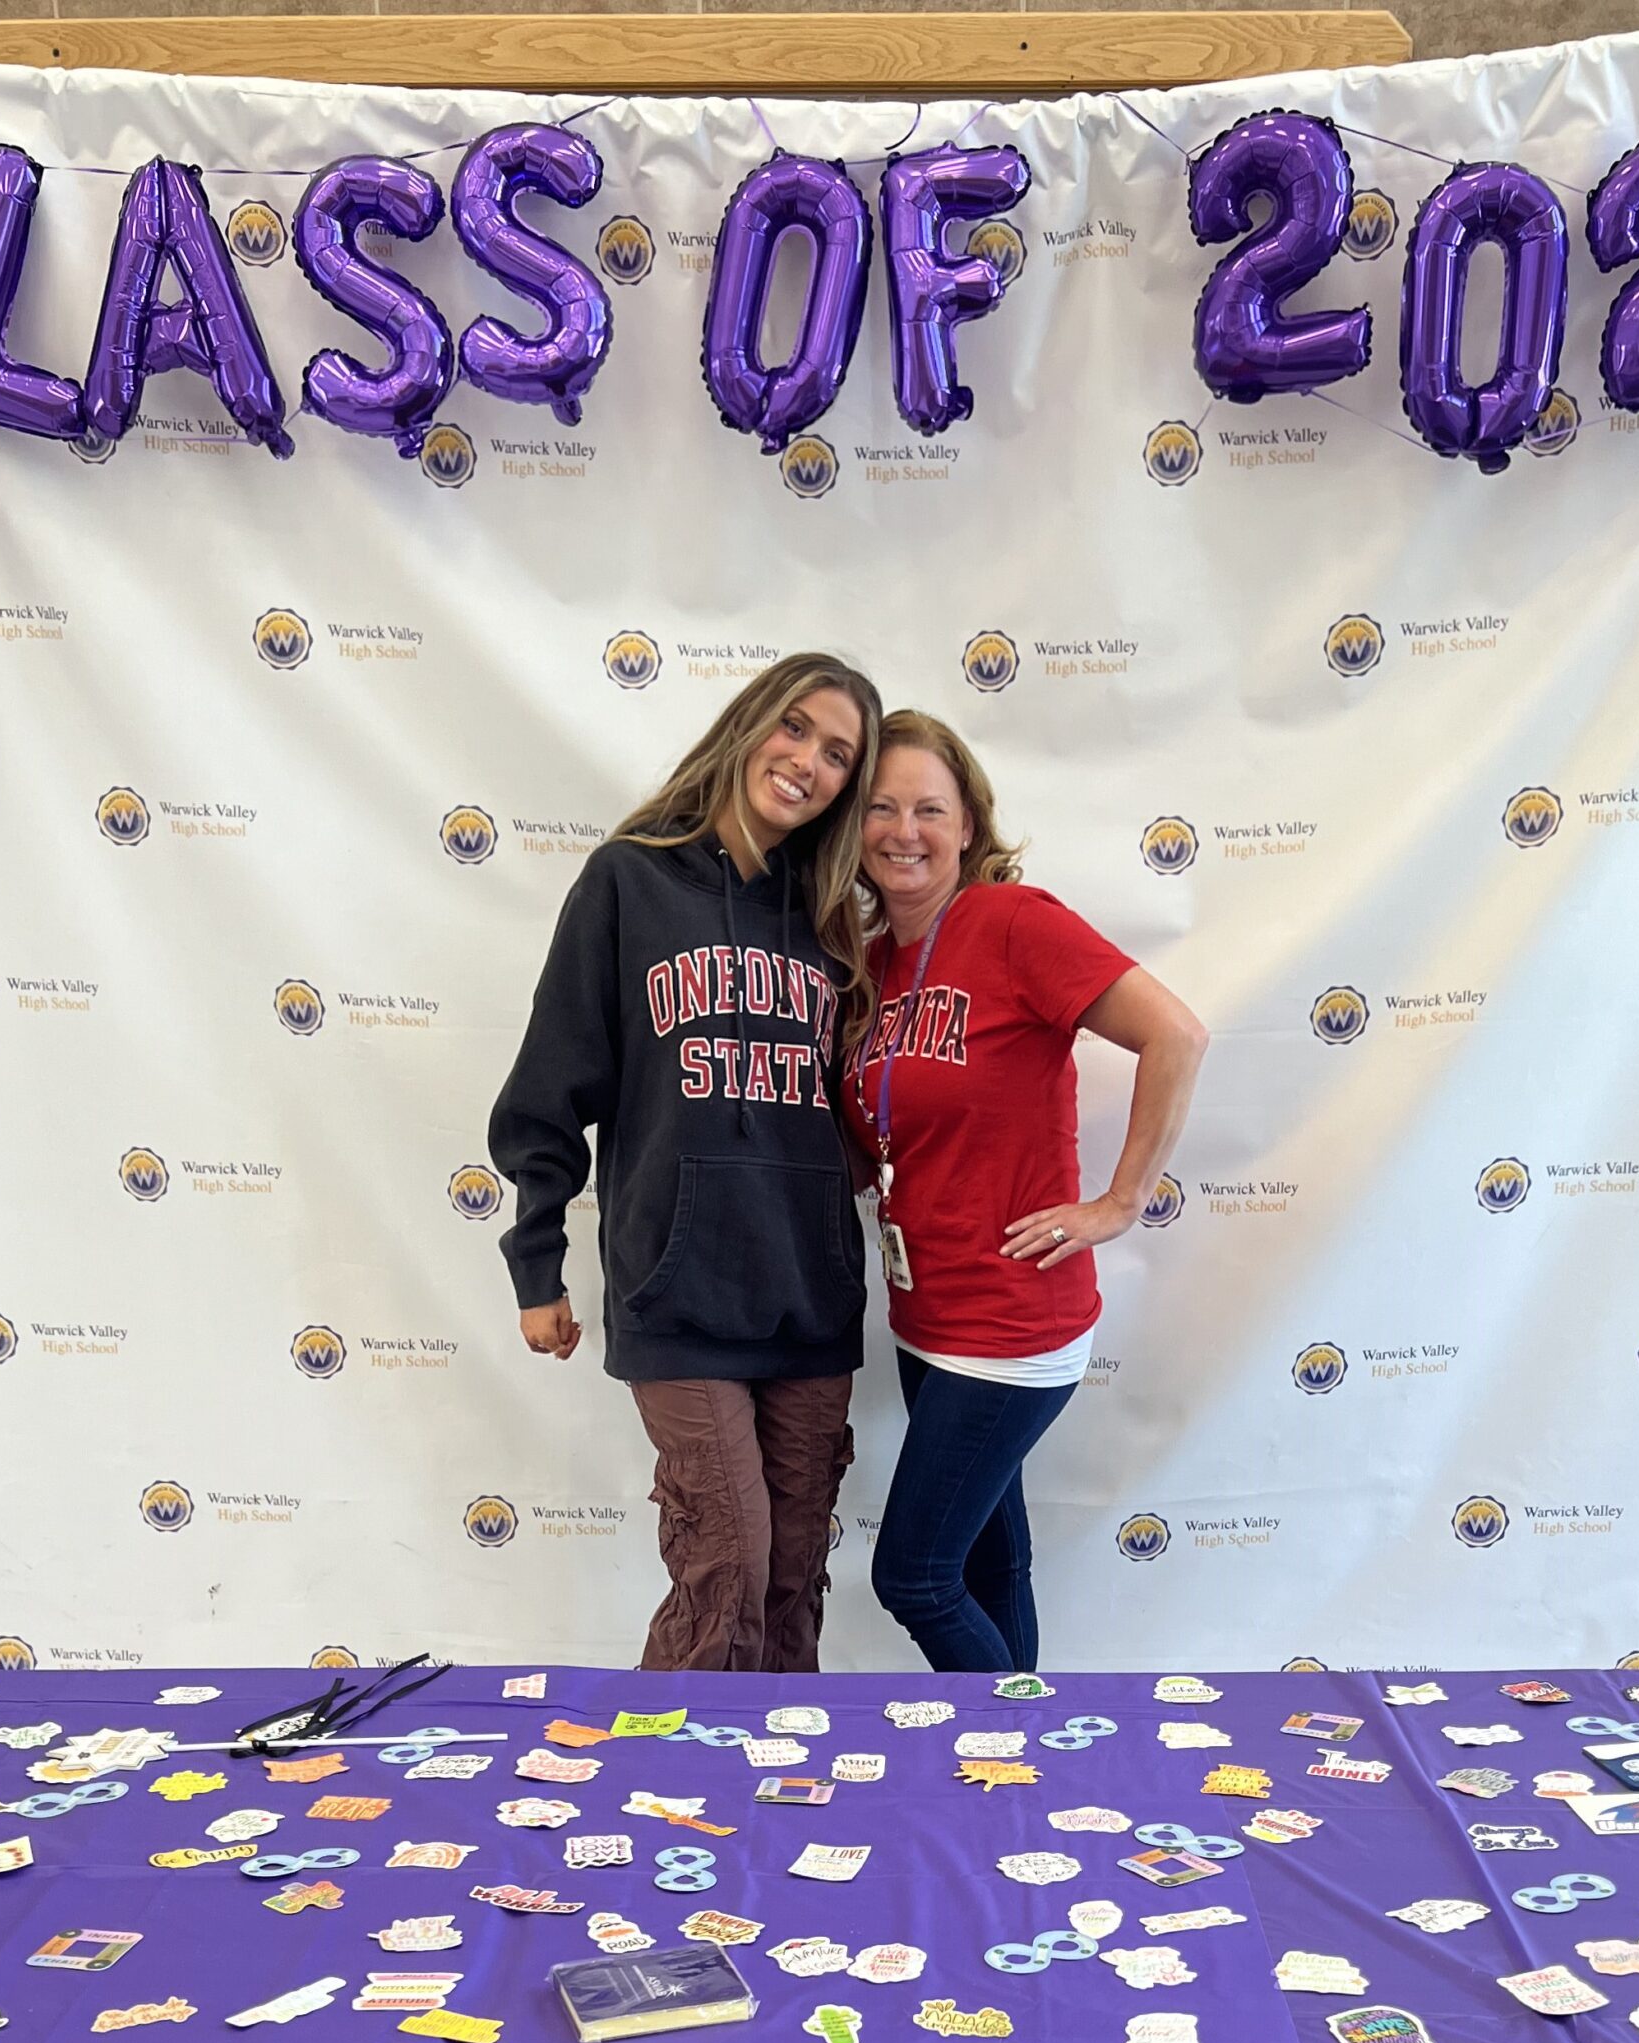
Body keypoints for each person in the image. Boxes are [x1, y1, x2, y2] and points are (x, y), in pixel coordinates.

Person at [490, 653, 884, 1672]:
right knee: (728, 1567)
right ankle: (667, 1794)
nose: (807, 761)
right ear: (749, 723)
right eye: (794, 728)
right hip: (680, 1289)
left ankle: (780, 1787)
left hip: (809, 1294)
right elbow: (549, 1088)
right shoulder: (629, 879)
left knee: (792, 1574)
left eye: (838, 754)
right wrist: (538, 1265)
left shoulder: (834, 913)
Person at [832, 710, 1208, 1673]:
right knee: (994, 1563)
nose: (903, 830)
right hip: (925, 1317)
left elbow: (1176, 1035)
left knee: (912, 1576)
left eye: (929, 808)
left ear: (968, 826)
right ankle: (1018, 1778)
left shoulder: (1013, 923)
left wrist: (1120, 1202)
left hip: (1010, 1322)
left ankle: (1016, 1747)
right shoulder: (874, 966)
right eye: (880, 807)